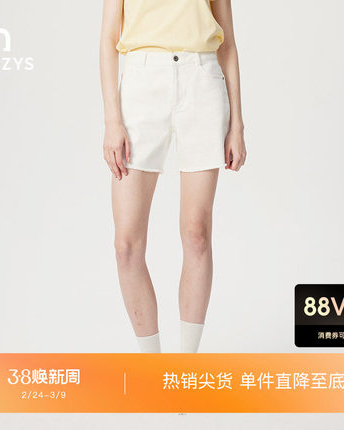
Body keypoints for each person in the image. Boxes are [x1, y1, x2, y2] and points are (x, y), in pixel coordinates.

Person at [99, 0, 246, 353]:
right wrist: (112, 120)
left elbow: (227, 42)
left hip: (202, 81)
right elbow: (107, 40)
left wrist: (237, 124)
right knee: (126, 246)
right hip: (141, 86)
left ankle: (185, 367)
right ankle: (152, 366)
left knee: (197, 235)